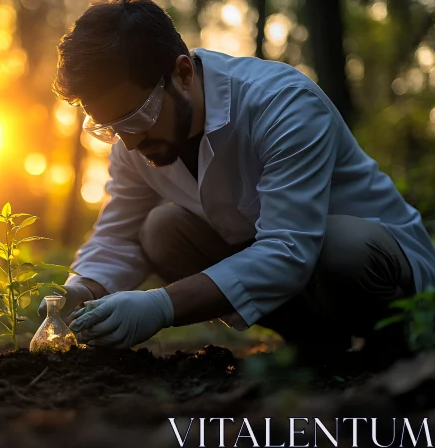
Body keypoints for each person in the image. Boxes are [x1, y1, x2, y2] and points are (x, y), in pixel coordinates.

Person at [37, 0, 435, 358]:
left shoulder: (282, 104)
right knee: (160, 228)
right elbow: (120, 232)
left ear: (183, 72)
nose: (129, 140)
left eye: (136, 118)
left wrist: (162, 305)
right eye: (108, 127)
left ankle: (398, 343)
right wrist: (80, 290)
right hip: (304, 282)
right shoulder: (134, 139)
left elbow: (288, 248)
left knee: (340, 248)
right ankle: (316, 345)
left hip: (380, 269)